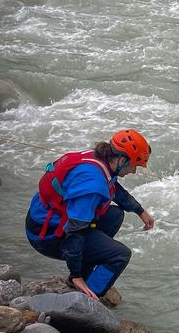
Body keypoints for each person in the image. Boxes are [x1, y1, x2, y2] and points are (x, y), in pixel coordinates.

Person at [25, 129, 154, 300]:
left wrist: (140, 211)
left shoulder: (99, 160)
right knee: (120, 255)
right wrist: (76, 275)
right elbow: (75, 231)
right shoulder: (92, 184)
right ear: (122, 160)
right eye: (135, 165)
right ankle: (87, 298)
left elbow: (113, 188)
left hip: (45, 220)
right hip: (46, 236)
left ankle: (85, 274)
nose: (134, 171)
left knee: (115, 215)